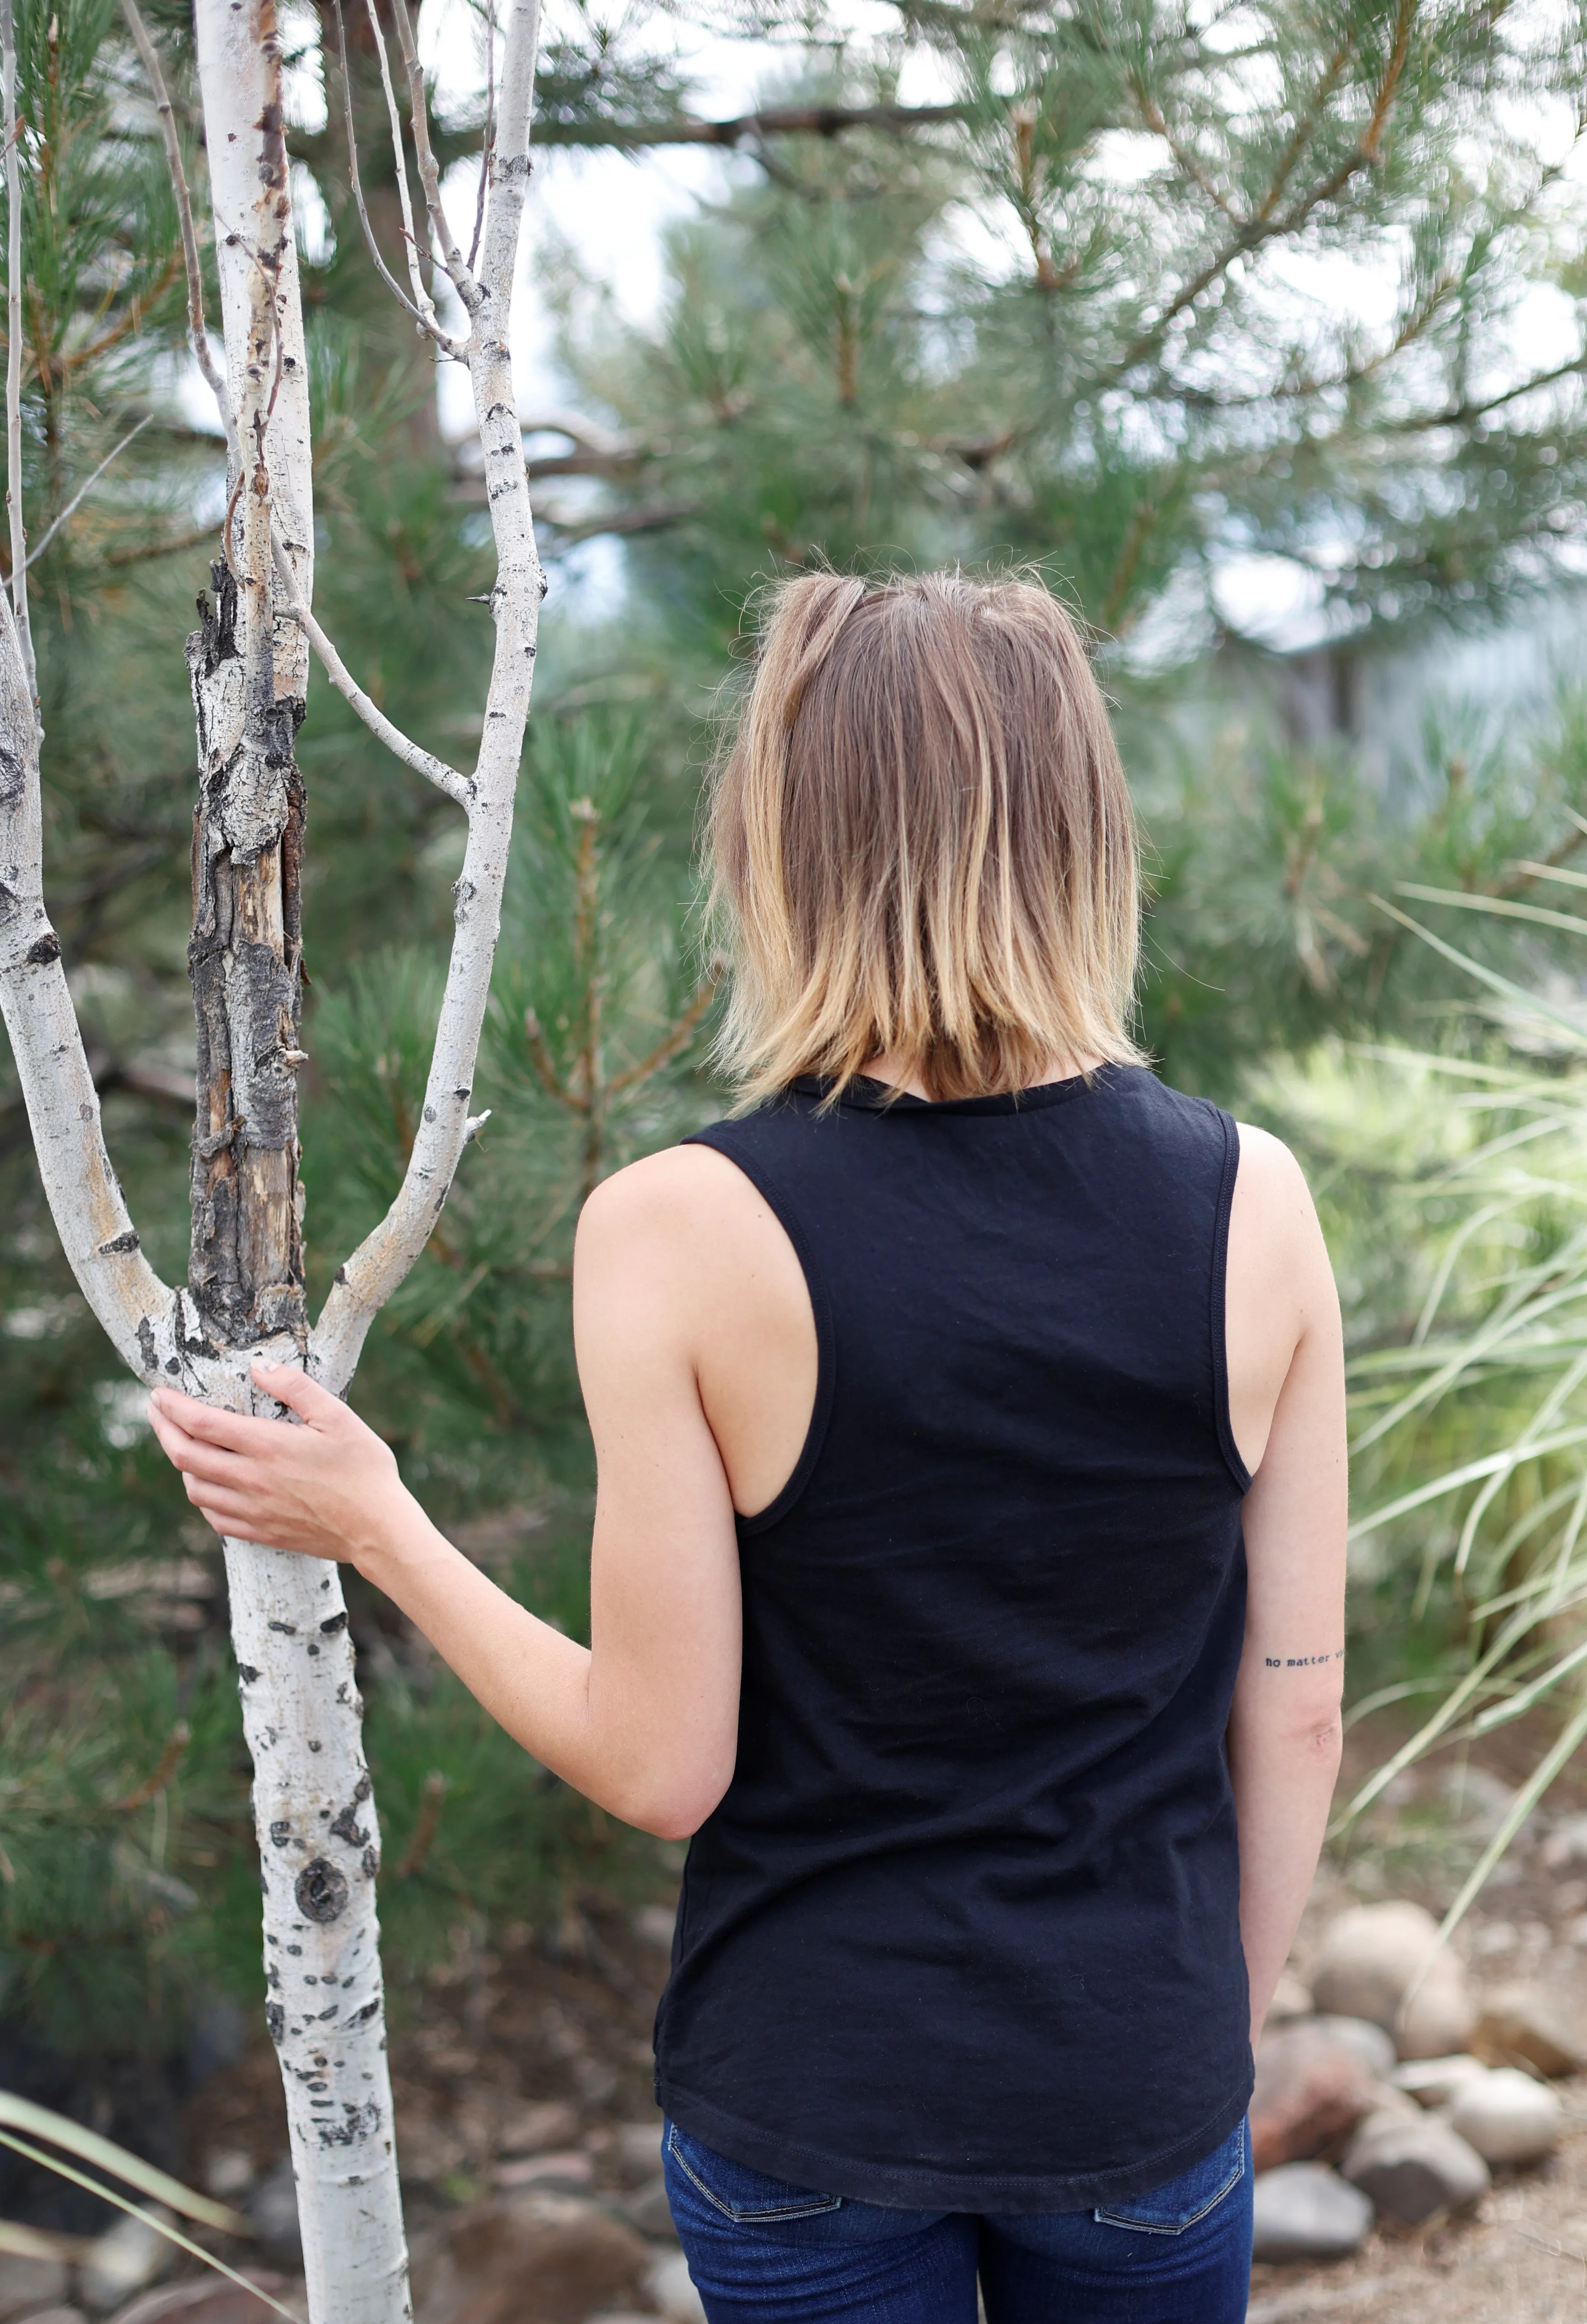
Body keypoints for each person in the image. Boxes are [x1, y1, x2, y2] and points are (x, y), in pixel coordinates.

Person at [149, 571, 1347, 2324]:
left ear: (781, 846)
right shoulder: (1261, 1204)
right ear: (1086, 833)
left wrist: (384, 1524)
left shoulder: (677, 1230)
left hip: (815, 2109)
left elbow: (661, 1766)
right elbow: (1299, 1700)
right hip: (1140, 2099)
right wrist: (1192, 2054)